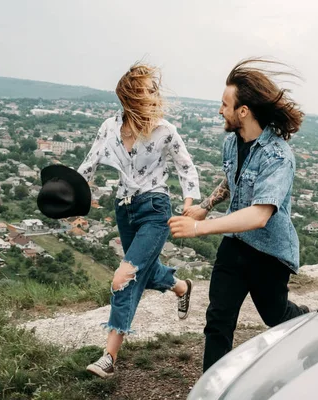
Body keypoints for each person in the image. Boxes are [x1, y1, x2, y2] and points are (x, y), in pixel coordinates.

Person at [169, 58, 309, 372]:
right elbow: (233, 180)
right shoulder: (231, 144)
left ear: (242, 111)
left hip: (268, 253)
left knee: (276, 317)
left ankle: (307, 322)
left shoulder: (278, 155)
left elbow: (260, 214)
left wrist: (198, 228)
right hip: (235, 246)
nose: (220, 110)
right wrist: (205, 207)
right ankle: (211, 390)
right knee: (218, 320)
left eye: (225, 104)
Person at [81, 63, 201, 378]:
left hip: (155, 209)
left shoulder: (166, 131)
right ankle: (180, 286)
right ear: (130, 97)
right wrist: (71, 194)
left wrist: (189, 202)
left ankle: (109, 356)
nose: (153, 95)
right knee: (144, 269)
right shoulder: (109, 127)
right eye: (146, 90)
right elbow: (90, 163)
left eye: (154, 89)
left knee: (124, 276)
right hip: (125, 208)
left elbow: (185, 166)